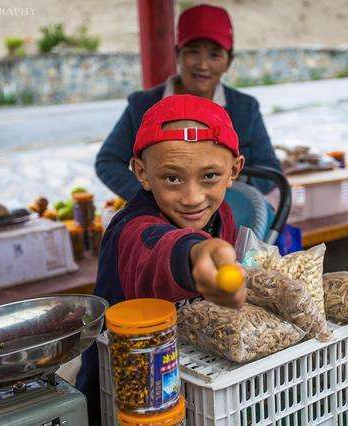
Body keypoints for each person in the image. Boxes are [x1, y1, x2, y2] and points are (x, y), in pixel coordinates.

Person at [77, 94, 247, 420]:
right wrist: (197, 254)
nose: (192, 198)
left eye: (210, 176)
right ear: (141, 173)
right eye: (172, 178)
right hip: (123, 397)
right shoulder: (131, 229)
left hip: (190, 385)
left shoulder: (222, 214)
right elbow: (158, 251)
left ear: (233, 170)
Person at [95, 4, 281, 200]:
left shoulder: (245, 108)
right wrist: (155, 199)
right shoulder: (142, 105)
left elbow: (270, 171)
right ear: (177, 54)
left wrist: (220, 197)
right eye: (193, 52)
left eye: (214, 54)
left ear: (229, 61)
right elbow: (108, 162)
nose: (202, 65)